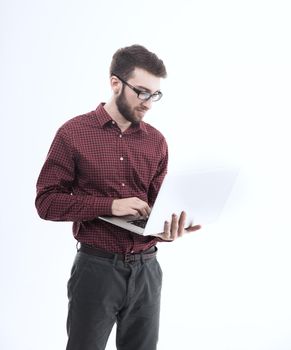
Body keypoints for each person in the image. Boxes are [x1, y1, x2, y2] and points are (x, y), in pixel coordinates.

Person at [35, 44, 201, 350]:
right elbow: (46, 202)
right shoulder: (73, 134)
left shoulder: (157, 142)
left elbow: (153, 210)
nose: (149, 103)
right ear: (115, 83)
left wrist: (168, 229)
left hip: (148, 271)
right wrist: (110, 205)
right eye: (142, 92)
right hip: (96, 269)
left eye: (155, 94)